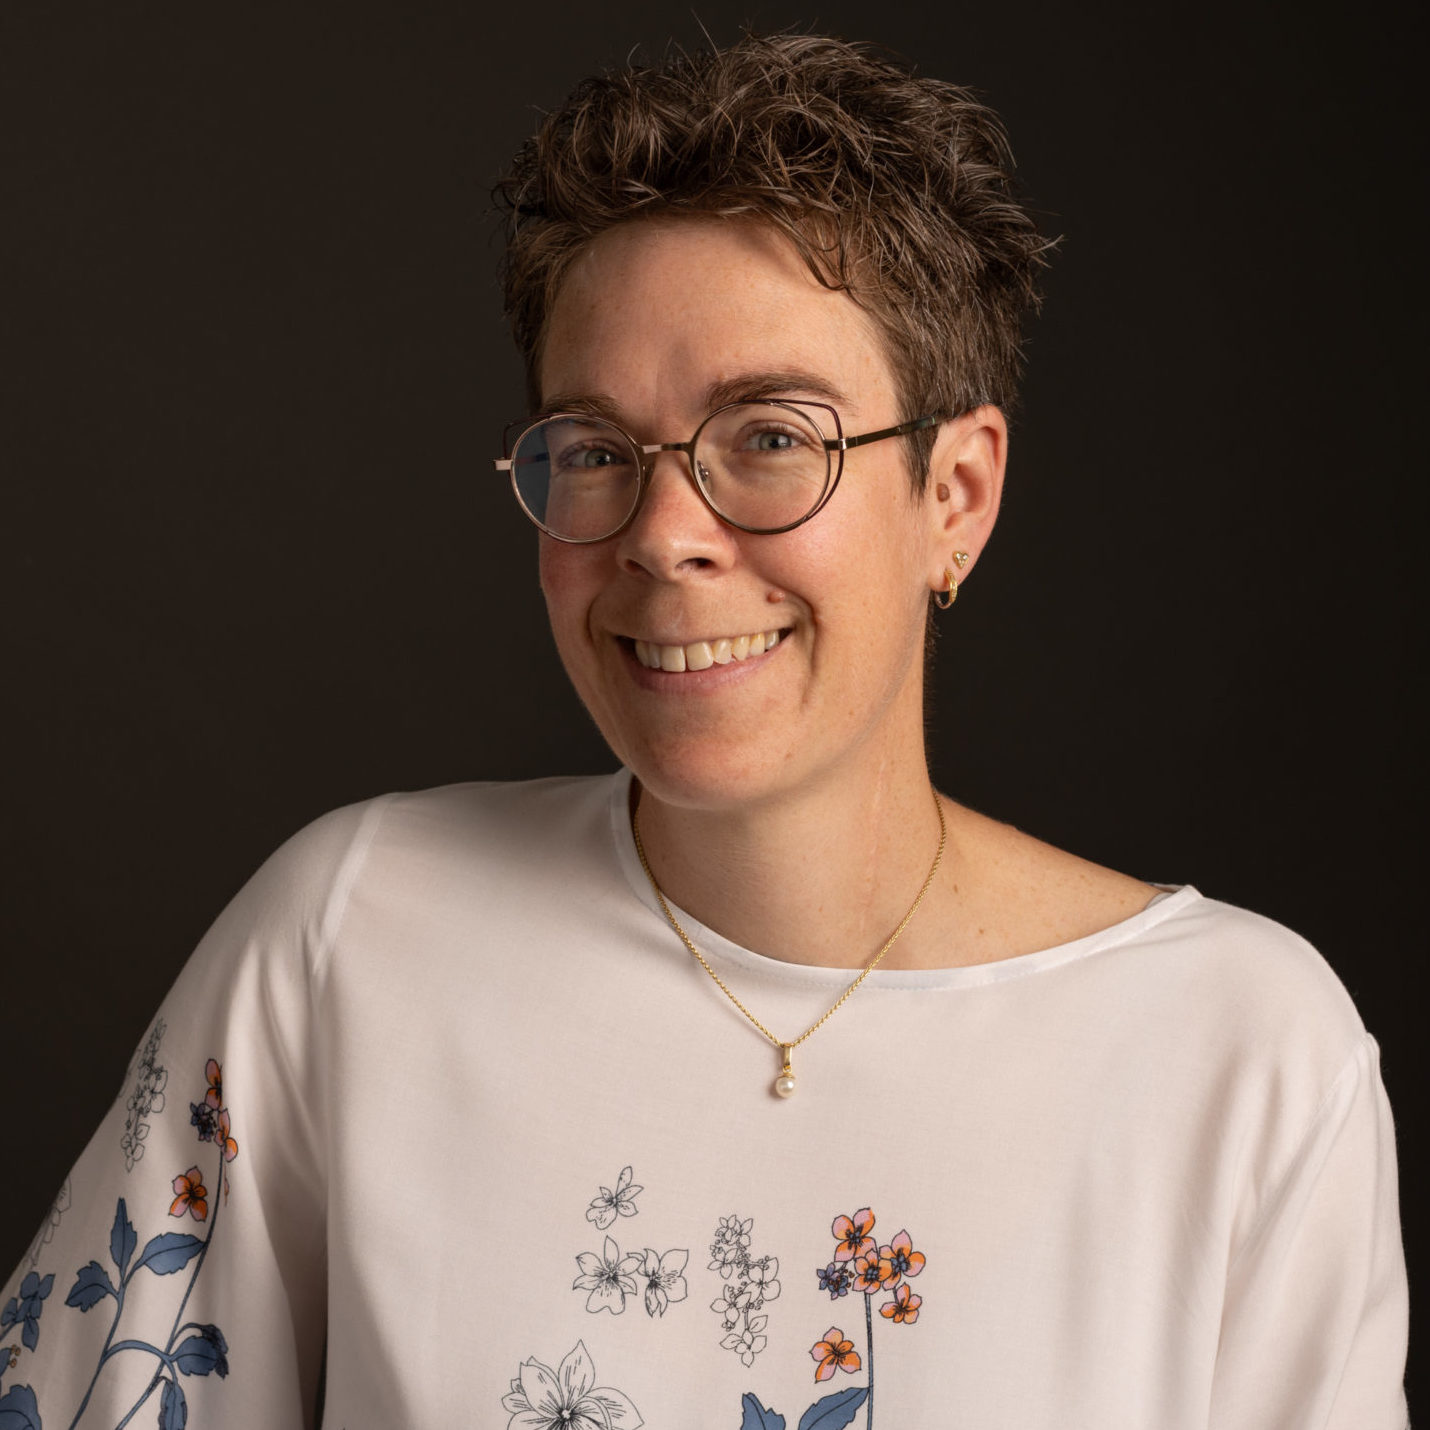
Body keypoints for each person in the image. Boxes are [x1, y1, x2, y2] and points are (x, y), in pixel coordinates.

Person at [0, 32, 1407, 1429]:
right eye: (596, 451)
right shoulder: (349, 941)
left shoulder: (1242, 1060)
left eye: (772, 436)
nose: (664, 535)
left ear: (956, 495)